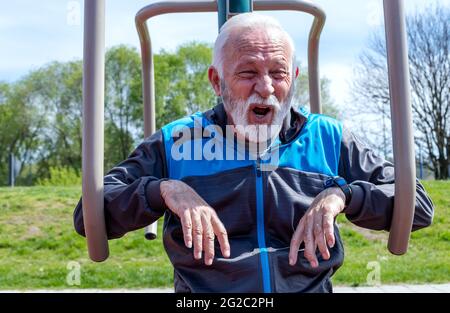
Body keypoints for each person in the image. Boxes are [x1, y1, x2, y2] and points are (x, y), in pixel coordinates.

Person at [74, 13, 434, 293]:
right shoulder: (179, 140)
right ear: (217, 81)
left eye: (278, 73)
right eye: (248, 73)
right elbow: (90, 215)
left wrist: (344, 194)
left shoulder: (326, 136)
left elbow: (417, 206)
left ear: (293, 76)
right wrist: (164, 190)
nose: (266, 89)